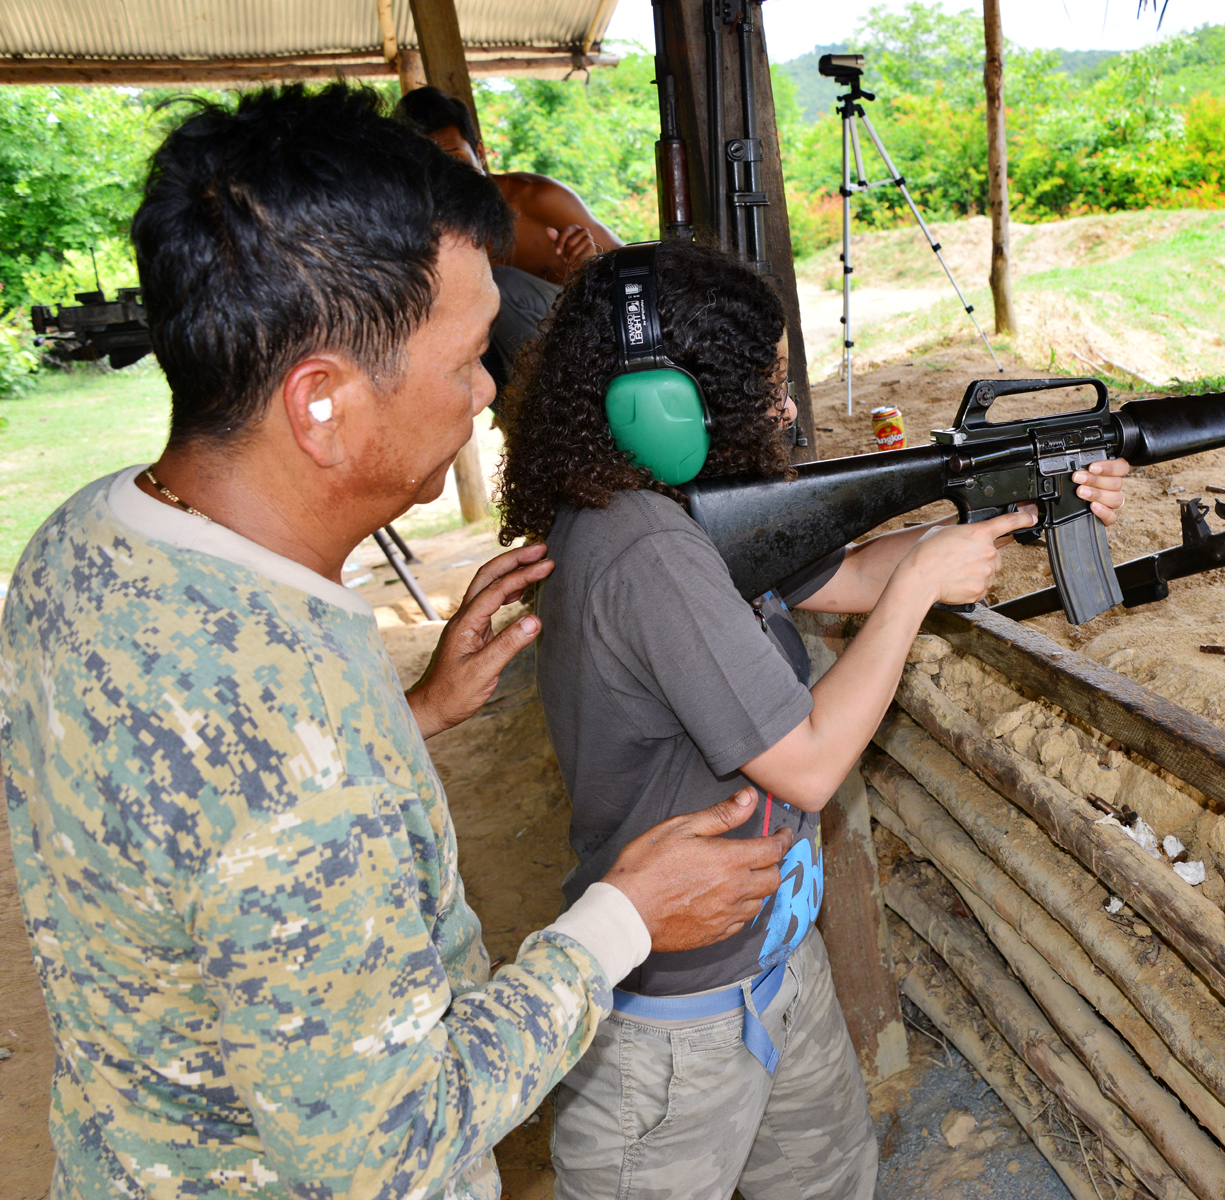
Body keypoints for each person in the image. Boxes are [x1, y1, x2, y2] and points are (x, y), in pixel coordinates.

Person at [1, 86, 794, 1200]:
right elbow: (393, 1150)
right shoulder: (283, 737)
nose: (484, 390)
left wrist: (405, 718)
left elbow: (190, 824)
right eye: (467, 355)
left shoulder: (88, 536)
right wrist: (622, 920)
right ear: (322, 402)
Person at [495, 239, 1131, 1200]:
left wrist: (1008, 508)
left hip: (774, 963)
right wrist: (920, 588)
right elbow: (809, 763)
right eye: (765, 386)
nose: (784, 408)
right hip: (676, 1030)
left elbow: (845, 573)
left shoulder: (677, 510)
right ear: (664, 406)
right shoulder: (645, 554)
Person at [397, 85, 623, 393]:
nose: (446, 179)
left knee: (501, 284)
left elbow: (631, 273)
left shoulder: (537, 199)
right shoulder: (428, 239)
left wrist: (589, 264)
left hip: (594, 351)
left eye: (455, 160)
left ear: (479, 154)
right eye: (430, 168)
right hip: (518, 384)